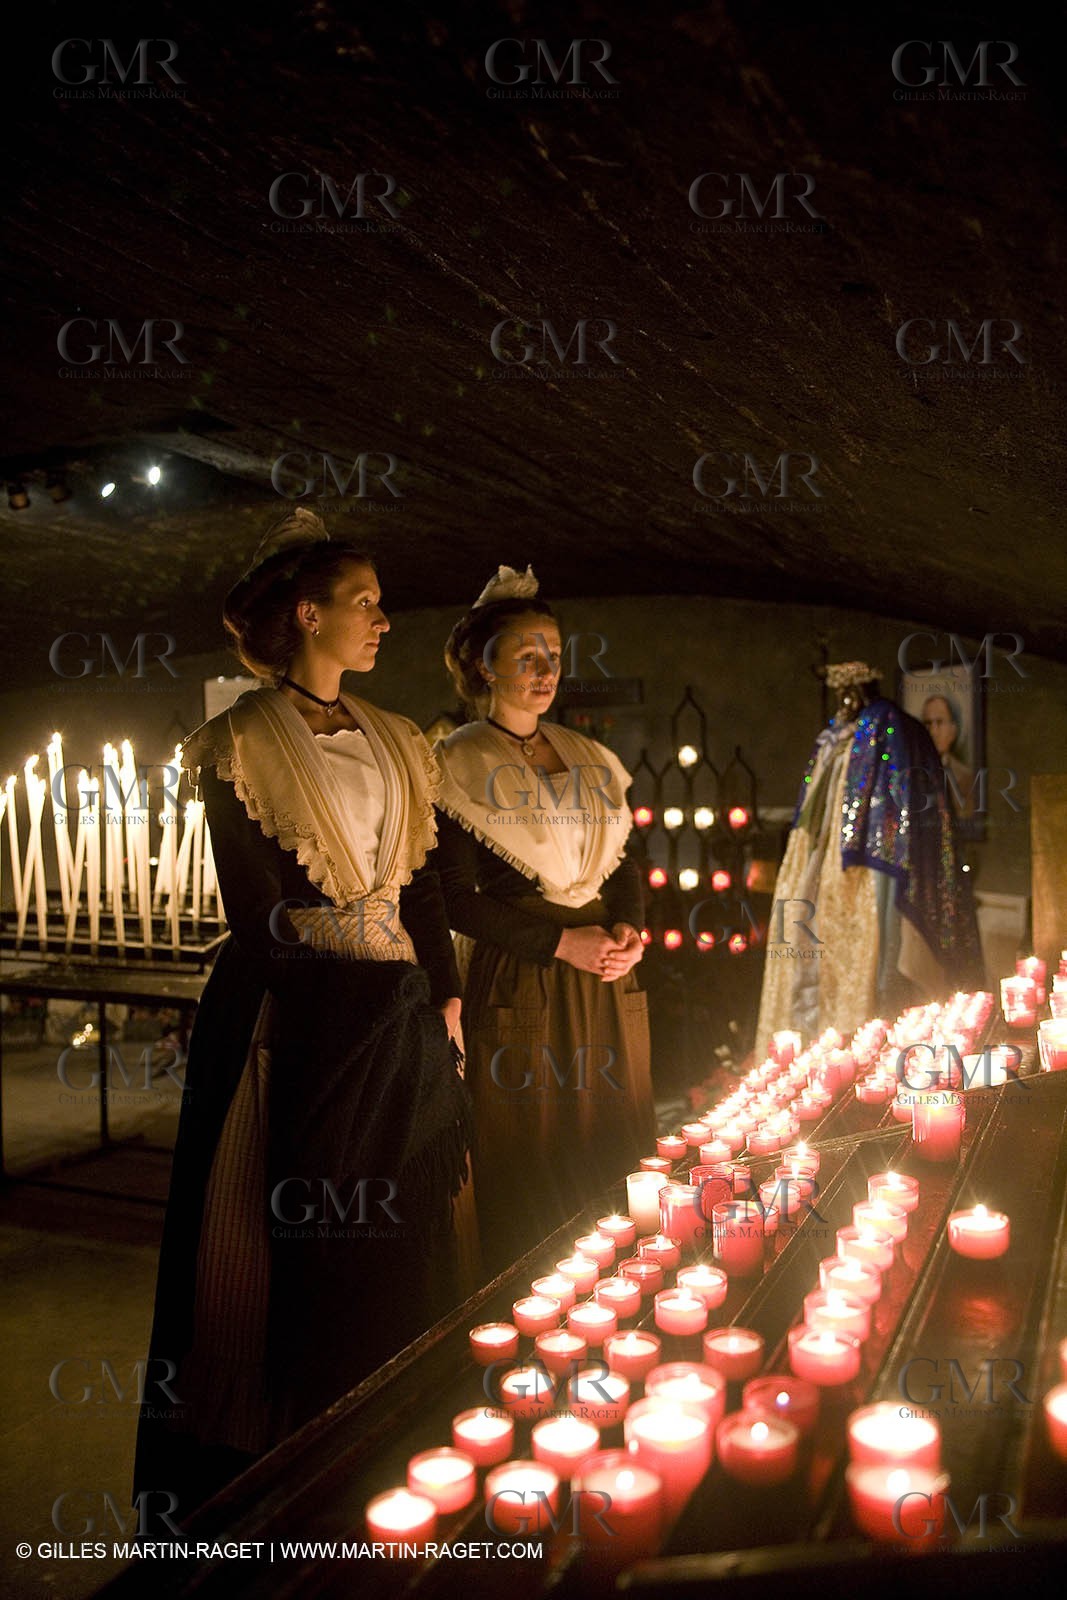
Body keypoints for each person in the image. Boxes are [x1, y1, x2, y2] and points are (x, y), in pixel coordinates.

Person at [134, 509, 470, 1524]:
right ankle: (275, 1441)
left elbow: (424, 886)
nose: (382, 618)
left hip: (404, 1004)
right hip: (300, 1008)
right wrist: (367, 997)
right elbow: (259, 915)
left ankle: (389, 1404)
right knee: (270, 1221)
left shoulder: (399, 739)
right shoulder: (239, 742)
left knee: (403, 1209)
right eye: (363, 601)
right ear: (307, 613)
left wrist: (444, 989)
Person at [432, 565, 654, 1273]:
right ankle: (527, 1285)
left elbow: (626, 858)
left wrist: (627, 929)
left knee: (606, 1131)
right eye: (525, 655)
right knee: (526, 1137)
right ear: (481, 665)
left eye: (553, 656)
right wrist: (561, 942)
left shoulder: (589, 756)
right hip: (522, 971)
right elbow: (456, 899)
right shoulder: (456, 763)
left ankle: (616, 1278)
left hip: (602, 975)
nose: (544, 669)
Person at [755, 662, 982, 1056]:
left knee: (882, 962)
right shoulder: (833, 737)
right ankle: (818, 1054)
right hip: (825, 863)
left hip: (877, 868)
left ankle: (871, 1051)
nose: (844, 702)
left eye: (850, 692)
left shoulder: (891, 728)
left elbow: (906, 810)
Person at [921, 692, 976, 819]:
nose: (933, 731)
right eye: (928, 723)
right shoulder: (914, 773)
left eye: (939, 722)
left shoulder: (966, 777)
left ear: (953, 729)